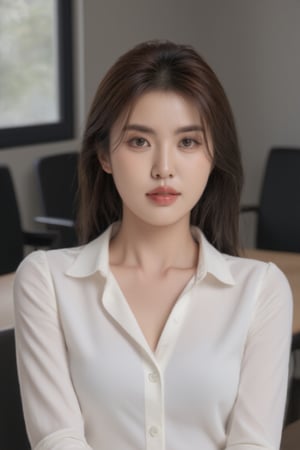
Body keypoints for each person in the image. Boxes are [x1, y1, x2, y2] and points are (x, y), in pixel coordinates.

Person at [14, 40, 293, 450]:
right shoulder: (46, 282)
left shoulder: (260, 291)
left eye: (187, 143)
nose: (164, 168)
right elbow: (58, 439)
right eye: (139, 142)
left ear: (213, 155)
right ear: (104, 155)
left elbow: (254, 444)